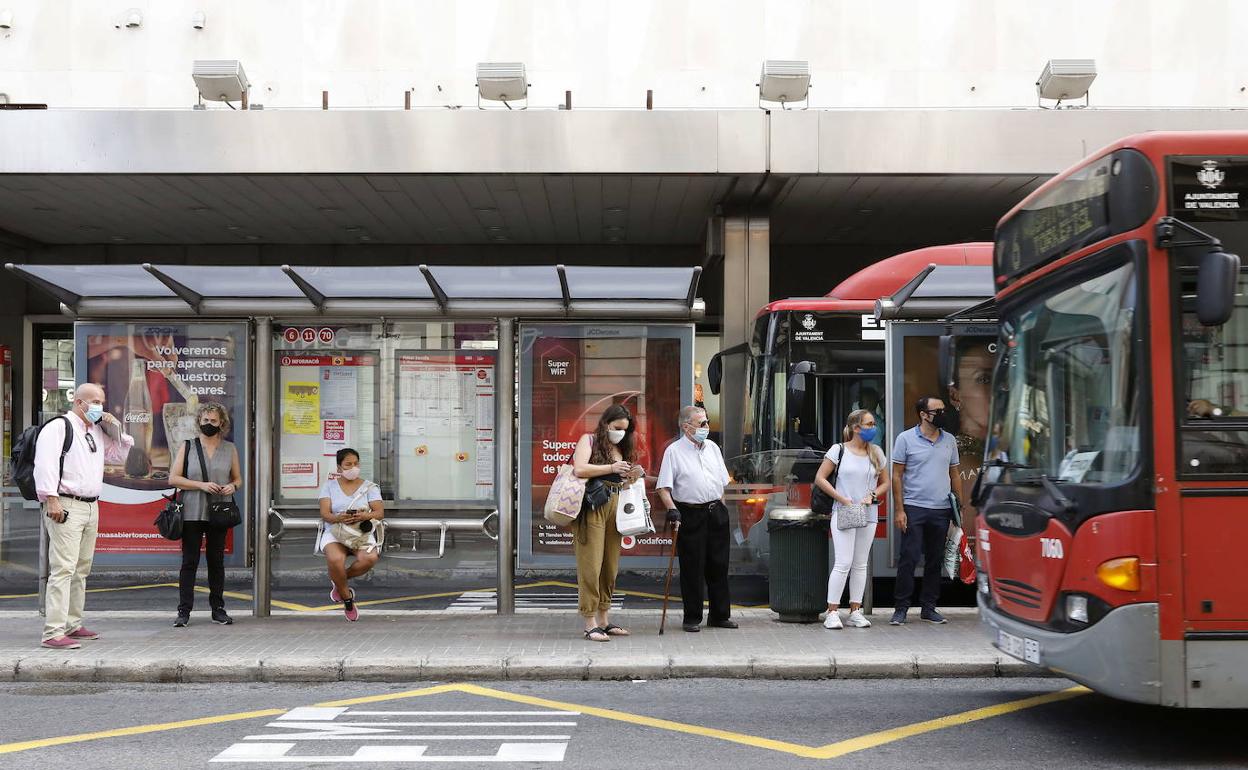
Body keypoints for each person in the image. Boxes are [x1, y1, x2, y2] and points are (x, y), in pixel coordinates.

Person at [34, 383, 134, 649]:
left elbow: (118, 455)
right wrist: (50, 498)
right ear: (80, 403)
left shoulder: (94, 431)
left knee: (81, 568)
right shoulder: (58, 427)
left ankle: (73, 624)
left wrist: (116, 428)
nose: (101, 406)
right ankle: (53, 632)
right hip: (66, 504)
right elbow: (44, 464)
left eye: (102, 401)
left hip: (90, 506)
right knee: (63, 568)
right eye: (96, 401)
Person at [657, 405, 736, 633]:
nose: (707, 427)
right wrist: (673, 509)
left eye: (707, 422)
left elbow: (722, 481)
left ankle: (720, 615)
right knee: (693, 567)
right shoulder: (674, 451)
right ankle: (692, 617)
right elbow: (663, 487)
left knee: (719, 565)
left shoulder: (712, 447)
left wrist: (719, 505)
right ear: (686, 426)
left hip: (715, 511)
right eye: (702, 424)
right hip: (690, 512)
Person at [889, 396, 967, 626]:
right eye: (938, 411)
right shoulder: (905, 439)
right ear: (923, 414)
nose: (943, 414)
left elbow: (954, 474)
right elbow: (896, 475)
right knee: (909, 558)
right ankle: (901, 609)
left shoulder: (949, 440)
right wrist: (899, 510)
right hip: (914, 507)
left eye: (944, 409)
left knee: (935, 560)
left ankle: (929, 608)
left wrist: (958, 508)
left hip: (941, 509)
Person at [571, 404, 643, 642]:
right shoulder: (589, 440)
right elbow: (579, 469)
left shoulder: (622, 446)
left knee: (610, 565)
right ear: (605, 424)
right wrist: (611, 467)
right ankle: (589, 621)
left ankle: (604, 619)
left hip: (617, 502)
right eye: (617, 427)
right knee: (591, 564)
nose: (621, 432)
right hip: (593, 505)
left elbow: (621, 481)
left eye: (625, 429)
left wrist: (630, 476)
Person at [168, 402, 242, 628]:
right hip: (191, 511)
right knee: (189, 562)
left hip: (219, 510)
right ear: (199, 421)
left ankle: (218, 609)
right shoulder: (188, 446)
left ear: (222, 423)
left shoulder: (229, 449)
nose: (209, 424)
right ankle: (184, 611)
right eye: (205, 420)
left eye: (213, 421)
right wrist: (201, 485)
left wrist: (233, 487)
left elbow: (238, 479)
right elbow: (173, 479)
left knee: (216, 562)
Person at [815, 409, 888, 630]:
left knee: (860, 564)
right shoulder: (838, 450)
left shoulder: (876, 452)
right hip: (844, 510)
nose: (873, 428)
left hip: (868, 513)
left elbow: (885, 482)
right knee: (843, 562)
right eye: (869, 424)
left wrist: (873, 495)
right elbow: (820, 478)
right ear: (856, 428)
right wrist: (842, 498)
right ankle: (832, 611)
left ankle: (855, 610)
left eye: (873, 423)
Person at [318, 448, 384, 622]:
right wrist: (338, 517)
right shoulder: (329, 486)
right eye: (348, 464)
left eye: (356, 464)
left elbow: (379, 512)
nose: (353, 467)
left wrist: (364, 515)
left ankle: (339, 582)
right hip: (336, 530)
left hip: (359, 532)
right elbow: (325, 514)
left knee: (370, 558)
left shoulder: (369, 487)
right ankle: (347, 600)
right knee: (335, 560)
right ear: (339, 467)